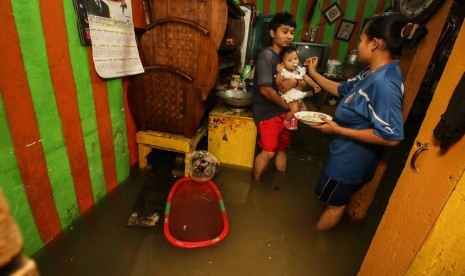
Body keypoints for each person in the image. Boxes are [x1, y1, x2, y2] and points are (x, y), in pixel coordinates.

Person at [306, 12, 427, 230]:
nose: (357, 47)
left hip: (348, 162)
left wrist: (338, 130)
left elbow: (391, 137)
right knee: (331, 199)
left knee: (335, 206)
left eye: (361, 40)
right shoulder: (371, 73)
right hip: (342, 154)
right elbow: (341, 89)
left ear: (374, 43)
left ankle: (311, 241)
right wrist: (313, 73)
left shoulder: (384, 82)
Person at [252, 12, 312, 181]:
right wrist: (288, 107)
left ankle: (281, 186)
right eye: (284, 31)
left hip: (283, 111)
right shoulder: (267, 56)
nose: (289, 36)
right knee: (269, 151)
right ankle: (255, 186)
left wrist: (293, 83)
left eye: (292, 32)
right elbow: (265, 90)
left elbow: (303, 82)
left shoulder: (285, 56)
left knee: (282, 149)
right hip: (268, 112)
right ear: (272, 33)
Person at [275, 46, 321, 130]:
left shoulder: (299, 69)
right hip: (290, 96)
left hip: (297, 95)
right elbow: (278, 83)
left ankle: (293, 120)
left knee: (304, 109)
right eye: (289, 60)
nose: (293, 62)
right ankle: (286, 121)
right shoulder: (283, 71)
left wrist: (314, 85)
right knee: (294, 110)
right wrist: (278, 74)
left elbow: (307, 78)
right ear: (283, 63)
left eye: (295, 59)